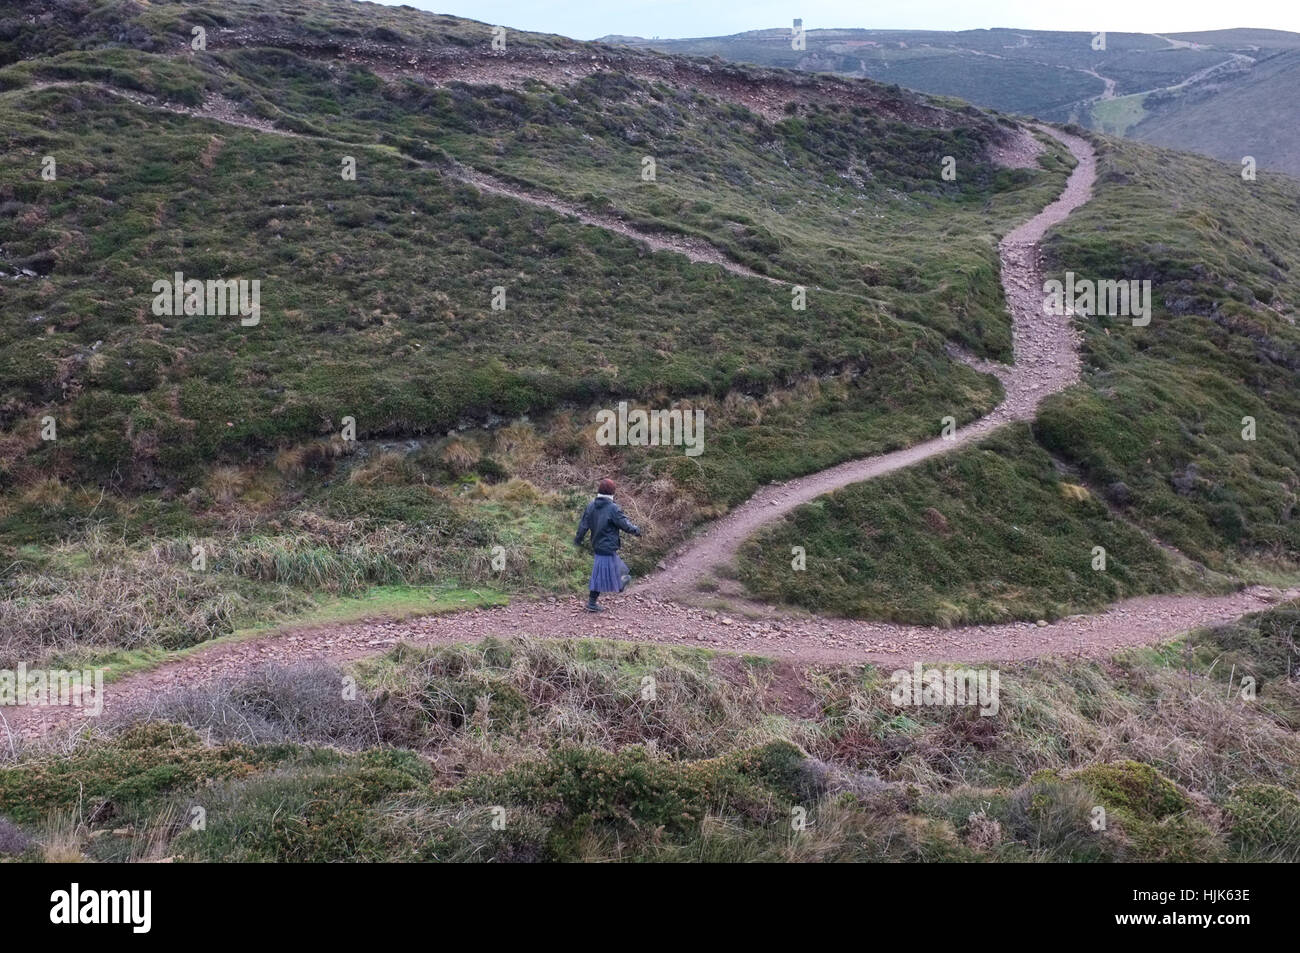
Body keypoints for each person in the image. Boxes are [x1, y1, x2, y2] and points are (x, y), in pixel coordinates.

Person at [574, 478, 640, 612]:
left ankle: (616, 586)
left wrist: (577, 540)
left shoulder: (591, 505)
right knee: (602, 575)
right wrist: (636, 530)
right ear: (612, 492)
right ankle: (592, 603)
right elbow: (624, 524)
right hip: (607, 547)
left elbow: (583, 525)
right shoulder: (612, 508)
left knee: (619, 571)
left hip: (598, 545)